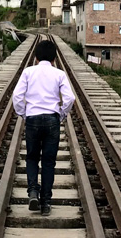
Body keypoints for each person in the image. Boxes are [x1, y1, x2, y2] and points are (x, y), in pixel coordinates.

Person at [12, 39, 75, 216]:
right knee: (48, 162)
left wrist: (24, 113)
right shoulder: (59, 74)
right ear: (54, 58)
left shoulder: (28, 72)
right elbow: (70, 99)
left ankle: (33, 192)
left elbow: (17, 96)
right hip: (52, 119)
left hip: (32, 118)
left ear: (36, 57)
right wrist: (61, 114)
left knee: (32, 158)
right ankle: (46, 203)